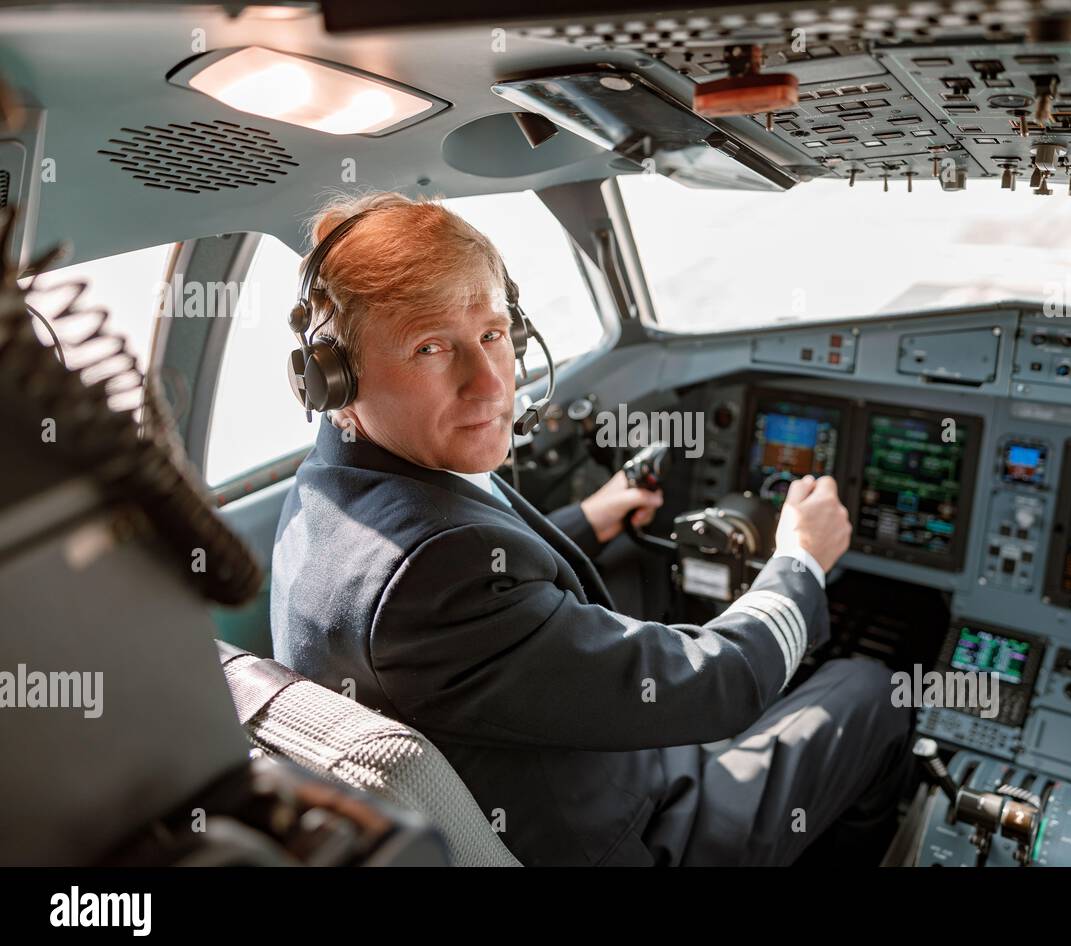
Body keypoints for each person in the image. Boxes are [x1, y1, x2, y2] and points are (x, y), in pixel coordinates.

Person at [270, 191, 914, 865]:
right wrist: (800, 562)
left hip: (543, 794)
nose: (491, 385)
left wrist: (591, 517)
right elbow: (720, 685)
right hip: (637, 837)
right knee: (866, 689)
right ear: (336, 377)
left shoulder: (331, 487)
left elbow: (469, 577)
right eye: (430, 347)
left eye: (492, 335)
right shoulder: (432, 577)